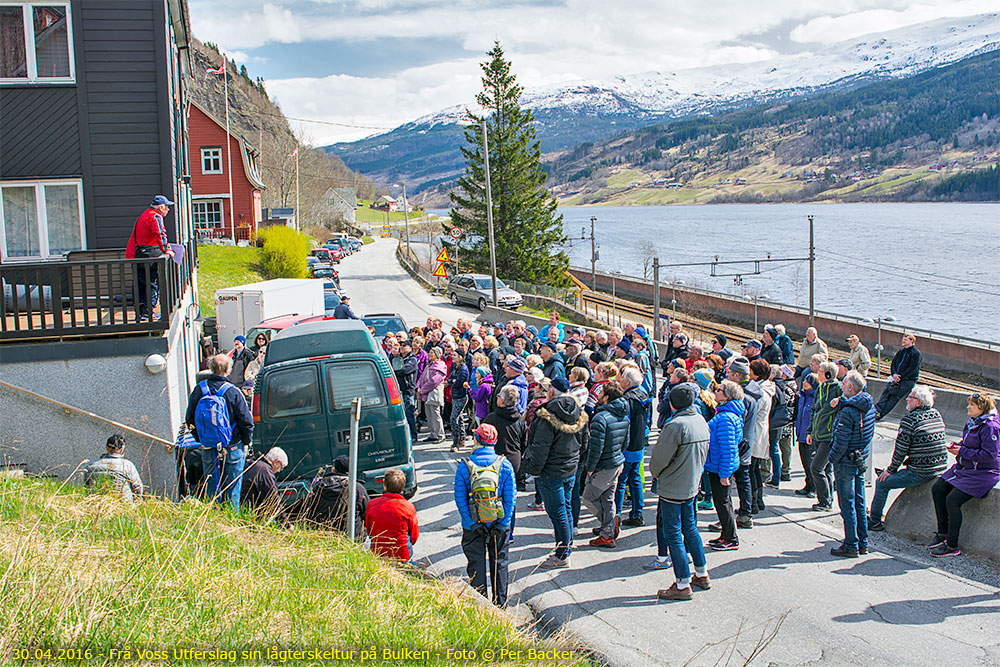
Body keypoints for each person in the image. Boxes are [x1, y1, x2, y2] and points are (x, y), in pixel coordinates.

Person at [650, 384, 711, 601]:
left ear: (673, 403)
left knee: (673, 533)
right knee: (691, 528)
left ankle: (682, 583)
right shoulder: (700, 420)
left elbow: (659, 458)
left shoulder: (675, 425)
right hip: (692, 483)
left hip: (674, 485)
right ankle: (701, 573)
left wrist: (655, 474)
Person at [523, 378, 589, 569]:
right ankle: (566, 546)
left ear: (552, 393)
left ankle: (562, 554)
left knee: (558, 512)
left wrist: (533, 470)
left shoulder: (546, 416)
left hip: (551, 471)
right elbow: (585, 443)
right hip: (570, 468)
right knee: (566, 509)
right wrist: (577, 463)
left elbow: (540, 447)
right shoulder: (580, 413)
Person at [928, 393, 1000, 557]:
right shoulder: (973, 422)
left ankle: (952, 546)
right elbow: (969, 443)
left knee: (952, 500)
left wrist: (962, 451)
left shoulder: (991, 427)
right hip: (967, 467)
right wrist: (957, 446)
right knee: (938, 488)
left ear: (981, 409)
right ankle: (942, 533)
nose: (968, 407)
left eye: (972, 405)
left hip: (984, 472)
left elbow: (990, 455)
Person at [868, 385, 948, 531]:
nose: (907, 399)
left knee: (882, 483)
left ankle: (874, 521)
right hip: (940, 467)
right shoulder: (935, 414)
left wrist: (890, 471)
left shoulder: (910, 419)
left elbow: (900, 450)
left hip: (921, 471)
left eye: (910, 397)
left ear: (918, 402)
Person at [455, 424, 515, 605]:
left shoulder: (465, 465)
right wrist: (502, 524)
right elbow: (510, 499)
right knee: (500, 564)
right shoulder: (504, 465)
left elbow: (460, 498)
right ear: (494, 441)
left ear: (477, 440)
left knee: (476, 565)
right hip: (497, 522)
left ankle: (480, 607)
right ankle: (500, 606)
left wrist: (471, 523)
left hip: (473, 524)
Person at [185, 354, 254, 508]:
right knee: (233, 489)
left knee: (212, 488)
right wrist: (246, 442)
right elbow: (246, 421)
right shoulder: (233, 392)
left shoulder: (199, 390)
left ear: (210, 367)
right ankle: (230, 521)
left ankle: (215, 521)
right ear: (228, 369)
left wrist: (201, 438)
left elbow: (189, 419)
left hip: (209, 446)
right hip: (233, 445)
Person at [828, 370, 876, 558]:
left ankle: (851, 544)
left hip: (846, 460)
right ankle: (862, 542)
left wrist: (831, 458)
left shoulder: (848, 411)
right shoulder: (868, 406)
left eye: (843, 385)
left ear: (850, 387)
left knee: (847, 503)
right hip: (859, 458)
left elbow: (841, 440)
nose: (841, 387)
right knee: (859, 501)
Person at [583, 383, 628, 548]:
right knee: (608, 498)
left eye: (601, 393)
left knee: (588, 497)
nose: (598, 395)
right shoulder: (623, 415)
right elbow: (625, 441)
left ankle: (609, 528)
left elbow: (596, 447)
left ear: (607, 397)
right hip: (617, 462)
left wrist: (590, 467)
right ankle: (607, 527)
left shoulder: (600, 418)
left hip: (604, 465)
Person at [705, 382, 745, 551]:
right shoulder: (726, 414)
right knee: (723, 502)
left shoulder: (726, 418)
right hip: (718, 464)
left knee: (723, 503)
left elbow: (727, 448)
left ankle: (730, 538)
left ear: (727, 396)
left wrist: (724, 474)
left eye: (720, 390)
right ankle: (726, 535)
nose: (716, 391)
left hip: (719, 466)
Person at [125, 195, 175, 321]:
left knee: (140, 284)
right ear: (161, 207)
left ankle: (141, 313)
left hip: (136, 254)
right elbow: (160, 233)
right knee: (151, 283)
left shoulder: (145, 214)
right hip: (147, 254)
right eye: (167, 207)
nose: (168, 210)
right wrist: (167, 249)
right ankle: (148, 312)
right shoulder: (155, 216)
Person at [726, 356, 760, 529]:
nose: (728, 376)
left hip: (736, 444)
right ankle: (746, 512)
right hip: (747, 443)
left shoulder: (740, 397)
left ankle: (730, 517)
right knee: (744, 479)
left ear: (738, 375)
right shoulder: (754, 394)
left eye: (730, 373)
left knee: (729, 481)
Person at [302, 455, 369, 537]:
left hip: (324, 536)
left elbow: (308, 511)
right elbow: (367, 514)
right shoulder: (357, 488)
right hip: (352, 536)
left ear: (333, 469)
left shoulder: (318, 486)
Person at [617, 366, 650, 528]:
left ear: (628, 382)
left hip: (627, 447)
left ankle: (614, 516)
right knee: (635, 480)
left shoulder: (627, 400)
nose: (620, 380)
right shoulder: (644, 396)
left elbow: (623, 425)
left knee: (620, 481)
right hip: (639, 444)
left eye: (622, 378)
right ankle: (637, 513)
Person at [807, 361, 842, 512]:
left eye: (820, 371)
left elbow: (851, 398)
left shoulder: (838, 388)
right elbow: (814, 410)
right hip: (817, 434)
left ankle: (824, 501)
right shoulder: (821, 387)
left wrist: (840, 400)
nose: (818, 373)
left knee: (816, 467)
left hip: (829, 435)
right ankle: (827, 500)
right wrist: (810, 431)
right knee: (826, 469)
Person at [366, 469, 420, 561]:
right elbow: (414, 536)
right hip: (402, 553)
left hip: (379, 551)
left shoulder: (372, 504)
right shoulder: (408, 507)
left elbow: (369, 530)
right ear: (402, 488)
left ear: (384, 486)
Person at [483, 384, 526, 498]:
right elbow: (524, 443)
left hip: (495, 462)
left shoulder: (491, 419)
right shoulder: (520, 420)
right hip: (514, 462)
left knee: (493, 500)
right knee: (510, 500)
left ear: (501, 400)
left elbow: (481, 441)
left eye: (498, 396)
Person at [875, 333, 922, 420]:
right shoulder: (901, 351)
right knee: (885, 394)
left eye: (906, 339)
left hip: (906, 381)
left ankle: (880, 415)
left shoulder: (916, 353)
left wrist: (900, 376)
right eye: (903, 339)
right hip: (895, 379)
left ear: (911, 341)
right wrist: (894, 374)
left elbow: (912, 368)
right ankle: (875, 412)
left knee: (893, 398)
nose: (903, 341)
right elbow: (894, 364)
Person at [84, 434, 145, 502]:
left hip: (97, 504)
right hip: (123, 506)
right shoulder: (127, 465)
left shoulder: (91, 465)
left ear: (106, 446)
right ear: (122, 449)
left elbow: (86, 488)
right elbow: (138, 489)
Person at [748, 359, 774, 512]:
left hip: (756, 431)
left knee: (751, 470)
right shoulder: (763, 388)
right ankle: (758, 500)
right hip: (759, 430)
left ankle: (754, 502)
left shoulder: (761, 392)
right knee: (755, 469)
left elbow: (754, 411)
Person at [240, 447, 288, 521]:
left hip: (244, 509)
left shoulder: (256, 464)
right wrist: (286, 524)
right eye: (281, 467)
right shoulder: (265, 471)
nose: (279, 471)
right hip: (250, 514)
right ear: (276, 461)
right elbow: (273, 500)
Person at [794, 373, 819, 498]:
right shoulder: (802, 396)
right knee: (804, 462)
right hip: (801, 434)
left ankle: (814, 487)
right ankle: (808, 484)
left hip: (809, 435)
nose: (804, 383)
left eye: (807, 382)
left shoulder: (815, 398)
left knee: (811, 463)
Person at [416, 347, 448, 443]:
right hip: (426, 393)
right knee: (429, 414)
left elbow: (434, 381)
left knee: (435, 414)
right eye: (429, 352)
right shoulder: (429, 365)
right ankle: (433, 433)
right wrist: (418, 386)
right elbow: (422, 376)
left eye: (432, 353)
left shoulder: (440, 366)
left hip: (433, 393)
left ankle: (440, 434)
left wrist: (422, 389)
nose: (430, 354)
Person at [392, 339, 419, 444]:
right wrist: (394, 356)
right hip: (398, 389)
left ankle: (413, 434)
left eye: (405, 345)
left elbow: (404, 370)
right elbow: (391, 367)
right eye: (401, 345)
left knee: (409, 413)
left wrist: (397, 370)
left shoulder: (412, 359)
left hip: (408, 390)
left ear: (410, 347)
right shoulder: (397, 358)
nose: (402, 347)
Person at [448, 351, 471, 452]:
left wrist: (453, 381)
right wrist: (452, 381)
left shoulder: (463, 369)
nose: (453, 357)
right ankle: (462, 439)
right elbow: (450, 378)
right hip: (455, 395)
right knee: (459, 417)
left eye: (455, 355)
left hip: (461, 396)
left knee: (454, 418)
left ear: (460, 357)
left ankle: (456, 441)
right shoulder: (454, 366)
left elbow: (457, 383)